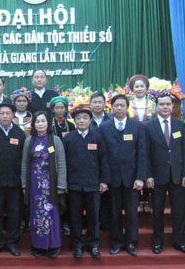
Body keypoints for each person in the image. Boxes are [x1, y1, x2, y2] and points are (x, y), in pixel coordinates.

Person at [99, 95, 147, 256]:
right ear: (111, 108)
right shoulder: (104, 127)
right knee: (114, 212)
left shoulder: (137, 126)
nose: (119, 109)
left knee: (132, 213)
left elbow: (142, 153)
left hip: (132, 178)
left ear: (127, 108)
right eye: (116, 106)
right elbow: (103, 156)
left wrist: (140, 177)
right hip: (112, 178)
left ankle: (132, 242)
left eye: (122, 106)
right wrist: (104, 180)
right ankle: (117, 242)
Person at [145, 94, 185, 255]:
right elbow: (145, 154)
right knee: (157, 211)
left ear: (172, 106)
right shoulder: (148, 126)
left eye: (168, 104)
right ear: (156, 106)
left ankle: (179, 242)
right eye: (162, 104)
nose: (165, 107)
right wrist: (148, 175)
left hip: (178, 176)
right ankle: (158, 242)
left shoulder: (180, 125)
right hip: (157, 176)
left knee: (178, 210)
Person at [63, 108, 110, 259]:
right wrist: (64, 183)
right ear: (74, 121)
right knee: (75, 217)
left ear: (90, 121)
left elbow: (104, 160)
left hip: (93, 184)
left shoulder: (97, 137)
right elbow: (63, 163)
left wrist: (104, 181)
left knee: (93, 216)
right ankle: (77, 245)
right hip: (74, 185)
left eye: (85, 118)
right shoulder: (68, 138)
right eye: (78, 118)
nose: (82, 120)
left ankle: (93, 244)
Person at [21, 111, 66, 258]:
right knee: (37, 213)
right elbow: (24, 164)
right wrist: (24, 184)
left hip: (51, 185)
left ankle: (54, 245)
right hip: (34, 184)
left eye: (43, 121)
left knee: (51, 213)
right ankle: (38, 245)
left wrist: (61, 184)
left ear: (48, 123)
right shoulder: (29, 140)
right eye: (37, 121)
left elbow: (61, 162)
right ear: (33, 124)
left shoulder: (56, 140)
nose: (40, 124)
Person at [0, 103, 26, 257]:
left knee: (15, 213)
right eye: (1, 113)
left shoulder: (20, 133)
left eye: (8, 113)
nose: (5, 116)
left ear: (13, 115)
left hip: (15, 182)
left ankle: (12, 243)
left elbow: (24, 159)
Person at [128, 74, 156, 214]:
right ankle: (138, 201)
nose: (139, 89)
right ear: (132, 89)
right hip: (132, 140)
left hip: (151, 139)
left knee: (149, 166)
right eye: (136, 86)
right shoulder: (127, 104)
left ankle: (147, 200)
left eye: (142, 86)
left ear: (146, 88)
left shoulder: (154, 104)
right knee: (137, 167)